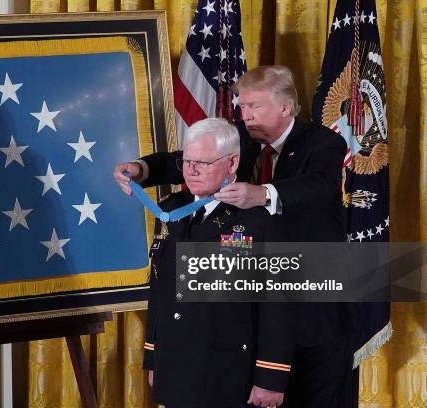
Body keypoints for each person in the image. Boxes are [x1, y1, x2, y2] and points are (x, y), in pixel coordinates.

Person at [115, 66, 358, 407]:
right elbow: (185, 160)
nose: (244, 115)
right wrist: (142, 169)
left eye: (254, 106)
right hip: (259, 316)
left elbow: (318, 187)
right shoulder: (241, 139)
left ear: (285, 107)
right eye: (242, 107)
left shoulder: (323, 143)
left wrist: (263, 194)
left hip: (314, 310)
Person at [141, 118, 293, 408]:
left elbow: (278, 306)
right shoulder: (171, 210)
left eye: (203, 162)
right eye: (187, 161)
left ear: (232, 162)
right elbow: (160, 291)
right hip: (174, 365)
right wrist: (154, 356)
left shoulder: (259, 218)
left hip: (230, 371)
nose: (192, 170)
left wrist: (271, 376)